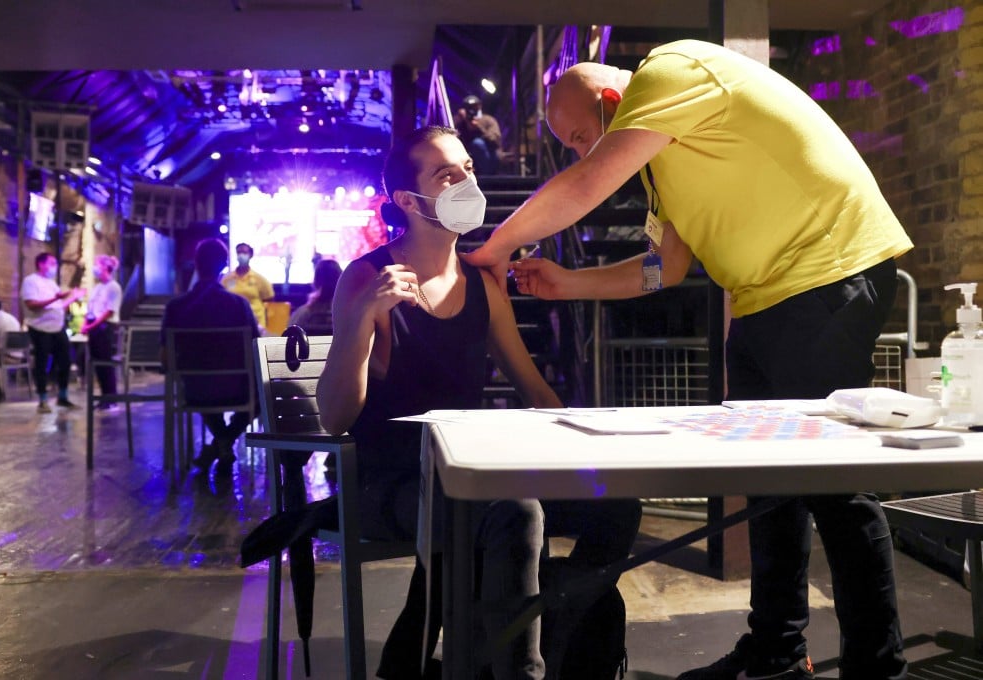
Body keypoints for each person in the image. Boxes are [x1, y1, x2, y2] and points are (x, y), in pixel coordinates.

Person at [465, 40, 913, 680]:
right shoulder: (663, 159)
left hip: (827, 277)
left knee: (834, 488)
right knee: (770, 486)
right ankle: (777, 651)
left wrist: (495, 248)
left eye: (578, 135)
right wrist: (567, 282)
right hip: (764, 300)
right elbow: (664, 269)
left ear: (614, 101)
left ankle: (878, 668)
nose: (577, 152)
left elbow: (589, 182)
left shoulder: (670, 72)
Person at [318, 125, 641, 680]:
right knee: (511, 510)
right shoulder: (368, 278)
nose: (467, 181)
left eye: (467, 168)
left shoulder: (482, 284)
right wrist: (358, 324)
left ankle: (549, 611)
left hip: (469, 475)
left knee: (617, 501)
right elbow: (335, 415)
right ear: (407, 201)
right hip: (390, 481)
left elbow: (533, 388)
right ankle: (520, 669)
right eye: (447, 174)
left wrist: (587, 451)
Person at [161, 239, 260, 476]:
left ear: (196, 264)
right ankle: (224, 441)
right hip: (237, 390)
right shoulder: (239, 305)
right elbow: (256, 351)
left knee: (202, 381)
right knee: (261, 396)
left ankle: (219, 444)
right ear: (224, 265)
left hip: (195, 391)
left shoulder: (175, 307)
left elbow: (166, 359)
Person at [21, 253, 85, 414]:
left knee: (65, 362)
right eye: (52, 263)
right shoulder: (30, 281)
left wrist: (73, 297)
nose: (54, 266)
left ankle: (62, 397)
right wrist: (55, 297)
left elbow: (58, 305)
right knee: (42, 364)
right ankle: (42, 400)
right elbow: (32, 305)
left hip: (58, 328)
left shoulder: (51, 283)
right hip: (40, 329)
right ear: (41, 264)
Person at [80, 255, 123, 410]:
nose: (95, 268)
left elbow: (109, 311)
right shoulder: (97, 288)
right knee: (97, 364)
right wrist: (85, 324)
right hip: (94, 326)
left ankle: (111, 398)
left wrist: (91, 326)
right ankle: (103, 397)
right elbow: (90, 309)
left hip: (105, 327)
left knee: (106, 364)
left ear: (106, 267)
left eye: (98, 265)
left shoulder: (114, 287)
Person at [222, 242, 274, 330]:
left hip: (256, 324)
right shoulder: (227, 279)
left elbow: (269, 299)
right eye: (239, 252)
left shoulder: (259, 279)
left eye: (244, 252)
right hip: (233, 323)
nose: (241, 255)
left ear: (250, 255)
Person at [288, 258, 342, 335]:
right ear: (341, 279)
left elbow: (289, 335)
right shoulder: (348, 314)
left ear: (316, 281)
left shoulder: (304, 313)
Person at [455, 94, 502, 175]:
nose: (471, 109)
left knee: (477, 143)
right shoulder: (461, 122)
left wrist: (479, 128)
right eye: (468, 107)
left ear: (479, 106)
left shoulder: (488, 120)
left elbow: (496, 141)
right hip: (467, 158)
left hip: (490, 157)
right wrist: (460, 120)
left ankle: (487, 176)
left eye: (474, 106)